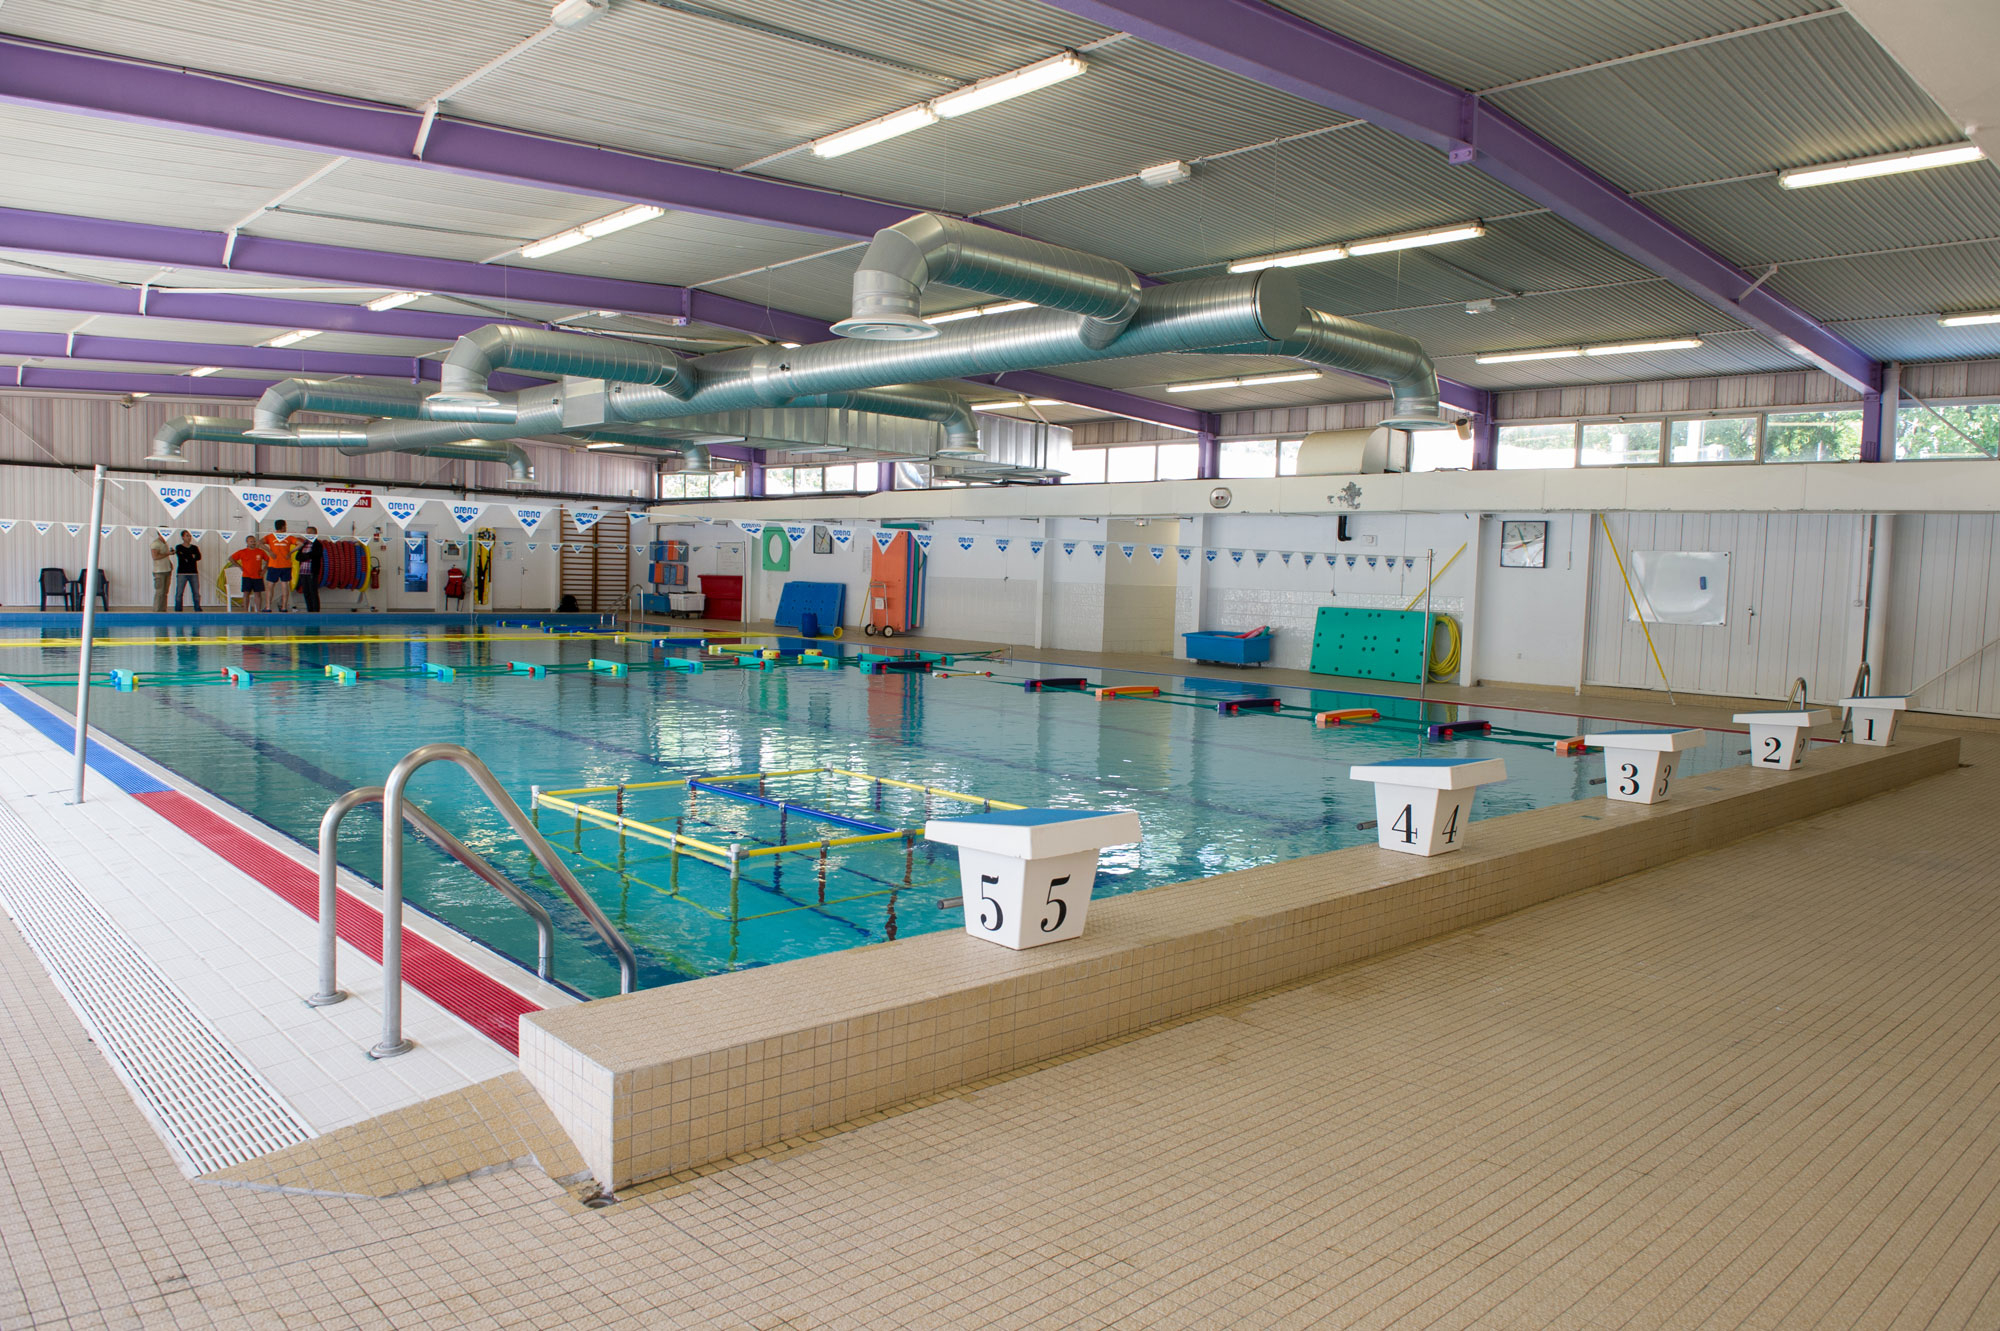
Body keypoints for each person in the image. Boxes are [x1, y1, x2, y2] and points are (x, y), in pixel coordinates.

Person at [263, 519, 301, 612]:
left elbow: (259, 542)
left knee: (270, 587)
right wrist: (290, 552)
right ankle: (284, 607)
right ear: (283, 526)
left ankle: (268, 607)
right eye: (285, 526)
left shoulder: (270, 536)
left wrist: (270, 551)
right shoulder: (288, 537)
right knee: (285, 586)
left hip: (274, 565)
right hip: (285, 565)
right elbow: (301, 544)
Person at [227, 533, 269, 612]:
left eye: (254, 541)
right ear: (247, 542)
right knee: (246, 594)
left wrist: (264, 570)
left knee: (258, 594)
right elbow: (231, 558)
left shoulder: (260, 552)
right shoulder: (242, 552)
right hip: (247, 576)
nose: (253, 543)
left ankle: (258, 611)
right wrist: (239, 566)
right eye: (251, 541)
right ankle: (245, 611)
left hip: (258, 576)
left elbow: (268, 560)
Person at [297, 525, 325, 614]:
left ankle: (316, 611)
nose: (307, 534)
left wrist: (306, 556)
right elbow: (298, 557)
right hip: (303, 571)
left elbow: (316, 555)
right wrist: (307, 556)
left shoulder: (317, 544)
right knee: (306, 592)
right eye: (307, 532)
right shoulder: (304, 544)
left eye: (310, 532)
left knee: (313, 592)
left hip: (312, 571)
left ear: (315, 534)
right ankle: (309, 610)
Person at [171, 530, 202, 612]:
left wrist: (188, 557)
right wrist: (191, 556)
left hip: (193, 573)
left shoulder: (195, 547)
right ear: (183, 537)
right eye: (187, 536)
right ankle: (178, 609)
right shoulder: (179, 547)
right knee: (179, 592)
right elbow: (182, 557)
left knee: (196, 592)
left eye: (190, 536)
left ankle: (197, 608)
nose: (189, 537)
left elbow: (198, 557)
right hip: (182, 573)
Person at [149, 530, 172, 612]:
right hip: (159, 572)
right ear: (160, 533)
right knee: (159, 592)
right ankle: (156, 611)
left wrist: (170, 564)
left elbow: (165, 556)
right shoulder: (155, 544)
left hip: (167, 570)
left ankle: (163, 610)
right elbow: (155, 557)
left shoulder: (165, 543)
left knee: (165, 593)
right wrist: (168, 554)